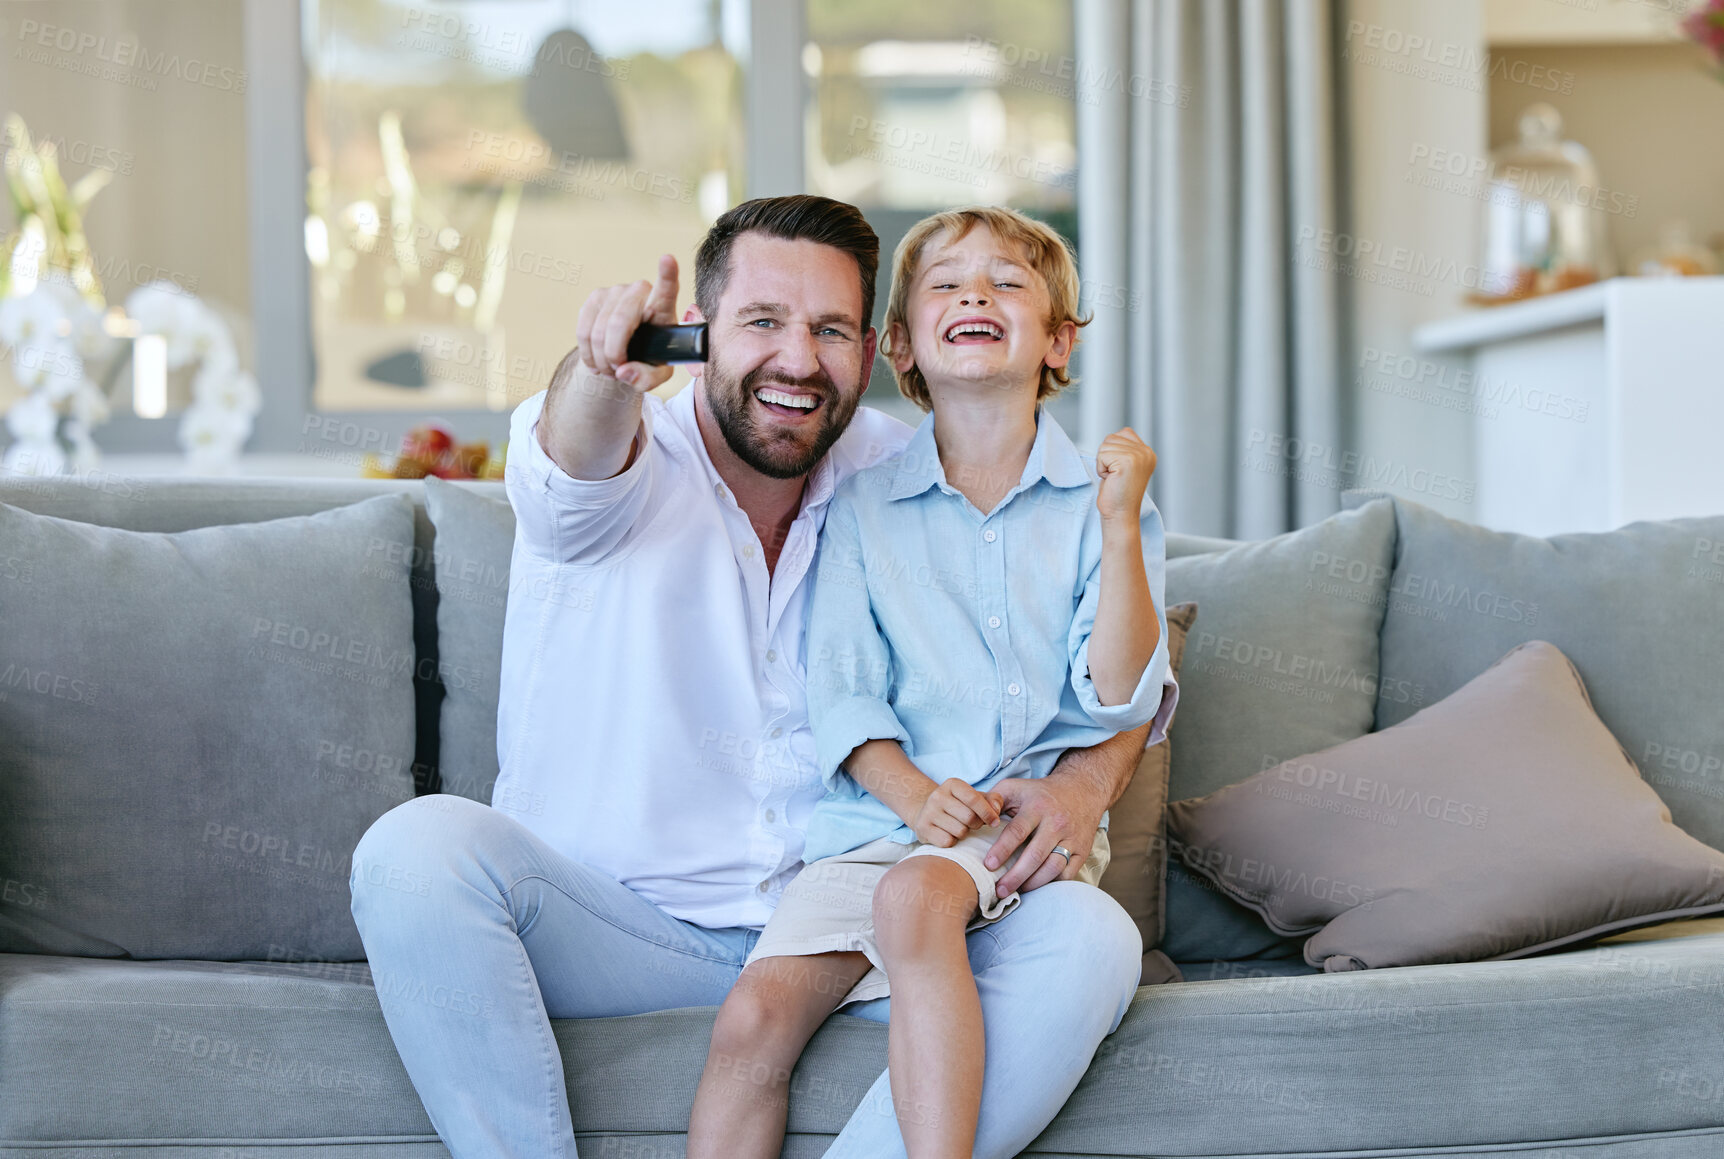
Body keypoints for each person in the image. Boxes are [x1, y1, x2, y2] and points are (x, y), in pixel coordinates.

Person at [349, 195, 1161, 1158]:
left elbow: (1120, 660)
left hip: (859, 921)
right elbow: (572, 450)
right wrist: (604, 371)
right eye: (763, 322)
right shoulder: (615, 457)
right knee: (414, 851)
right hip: (629, 933)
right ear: (698, 332)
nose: (797, 360)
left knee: (1094, 941)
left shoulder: (903, 474)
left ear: (872, 350)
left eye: (828, 330)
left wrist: (1083, 782)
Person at [686, 205, 1177, 1158]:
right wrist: (914, 796)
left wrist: (1121, 527)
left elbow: (1119, 691)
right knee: (752, 1015)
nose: (976, 295)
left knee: (915, 900)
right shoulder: (865, 503)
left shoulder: (1102, 507)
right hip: (877, 825)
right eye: (947, 284)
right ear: (901, 343)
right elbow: (841, 686)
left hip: (1012, 833)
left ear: (1059, 337)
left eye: (1006, 282)